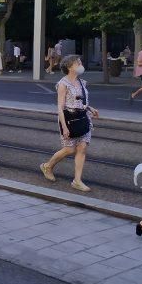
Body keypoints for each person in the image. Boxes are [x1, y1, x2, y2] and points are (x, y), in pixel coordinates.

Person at [39, 55, 99, 192]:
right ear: (69, 67)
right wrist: (64, 127)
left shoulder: (82, 82)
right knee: (69, 149)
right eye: (77, 63)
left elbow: (81, 103)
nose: (80, 64)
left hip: (83, 118)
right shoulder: (63, 84)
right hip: (68, 119)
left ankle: (77, 181)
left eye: (80, 62)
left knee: (82, 148)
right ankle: (47, 166)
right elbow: (60, 107)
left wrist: (91, 108)